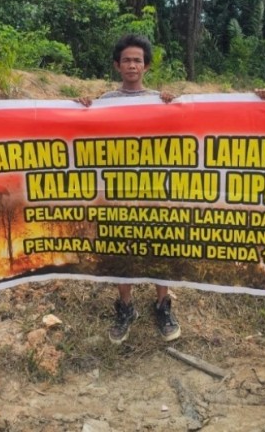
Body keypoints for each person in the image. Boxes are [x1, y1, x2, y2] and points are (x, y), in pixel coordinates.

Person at [78, 34, 181, 344]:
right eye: (126, 60)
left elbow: (181, 129)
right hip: (117, 190)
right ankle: (126, 308)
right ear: (117, 65)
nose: (132, 65)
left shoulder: (161, 100)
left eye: (137, 60)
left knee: (159, 247)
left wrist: (174, 105)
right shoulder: (105, 101)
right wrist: (80, 108)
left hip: (153, 189)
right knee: (120, 248)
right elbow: (82, 130)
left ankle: (162, 306)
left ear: (146, 66)